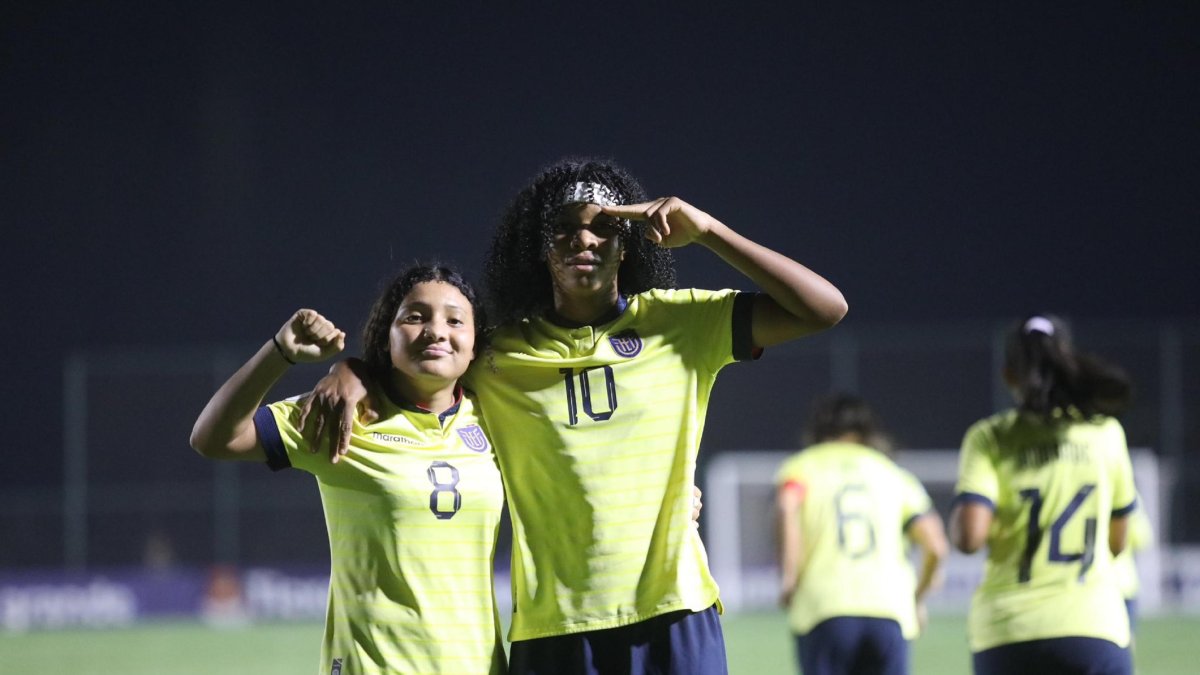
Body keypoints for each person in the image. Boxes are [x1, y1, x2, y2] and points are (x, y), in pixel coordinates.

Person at [306, 157, 848, 674]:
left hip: (674, 612)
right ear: (539, 247)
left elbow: (824, 307)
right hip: (554, 630)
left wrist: (707, 231)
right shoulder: (497, 356)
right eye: (564, 228)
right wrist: (355, 370)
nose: (584, 239)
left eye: (605, 227)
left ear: (628, 243)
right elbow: (419, 367)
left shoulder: (683, 324)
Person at [189, 264, 507, 675]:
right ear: (386, 337)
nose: (435, 331)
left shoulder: (497, 418)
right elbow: (213, 438)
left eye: (455, 320)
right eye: (415, 317)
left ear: (475, 343)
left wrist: (351, 370)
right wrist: (280, 354)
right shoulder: (345, 414)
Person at [949, 314, 1138, 675]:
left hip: (1007, 630)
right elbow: (1117, 542)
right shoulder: (1106, 433)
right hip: (1092, 625)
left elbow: (970, 538)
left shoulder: (990, 437)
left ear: (1008, 374)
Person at [775, 393, 947, 675]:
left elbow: (786, 506)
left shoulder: (802, 467)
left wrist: (789, 577)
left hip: (824, 607)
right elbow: (937, 546)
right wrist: (918, 597)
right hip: (889, 610)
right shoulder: (894, 474)